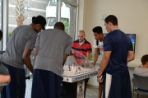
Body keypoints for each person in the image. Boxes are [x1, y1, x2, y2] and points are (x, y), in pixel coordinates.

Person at [1, 15, 46, 98]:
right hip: (15, 67)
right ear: (38, 25)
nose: (40, 31)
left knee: (5, 93)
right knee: (17, 94)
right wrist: (33, 71)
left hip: (4, 63)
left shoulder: (20, 28)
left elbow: (12, 44)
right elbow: (25, 57)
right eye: (41, 28)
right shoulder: (33, 34)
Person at [31, 22, 72, 98]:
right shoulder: (68, 38)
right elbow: (65, 56)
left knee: (38, 94)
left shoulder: (42, 33)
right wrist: (60, 66)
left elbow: (36, 51)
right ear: (63, 29)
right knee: (52, 94)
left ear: (54, 27)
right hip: (54, 69)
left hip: (38, 67)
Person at [98, 15, 135, 98]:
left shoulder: (108, 37)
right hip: (125, 73)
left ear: (110, 24)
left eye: (105, 25)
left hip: (112, 73)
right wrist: (121, 61)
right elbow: (132, 56)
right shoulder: (127, 37)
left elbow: (106, 58)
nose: (105, 27)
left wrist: (100, 72)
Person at [63, 30, 92, 98]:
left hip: (84, 66)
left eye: (81, 36)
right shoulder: (74, 43)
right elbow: (71, 54)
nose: (80, 38)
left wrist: (85, 63)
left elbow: (89, 57)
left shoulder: (88, 44)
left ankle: (82, 96)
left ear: (84, 36)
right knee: (74, 85)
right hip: (75, 66)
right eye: (79, 36)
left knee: (82, 85)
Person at [92, 26, 104, 98]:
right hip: (101, 64)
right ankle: (99, 96)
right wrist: (93, 64)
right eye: (94, 35)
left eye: (96, 35)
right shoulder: (96, 41)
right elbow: (96, 54)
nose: (95, 37)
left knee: (107, 83)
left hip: (108, 65)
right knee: (100, 82)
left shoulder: (107, 40)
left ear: (101, 34)